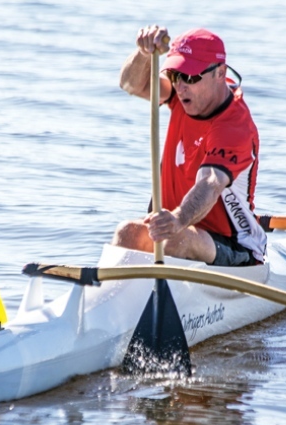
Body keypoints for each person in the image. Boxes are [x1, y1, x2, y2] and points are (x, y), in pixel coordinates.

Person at [113, 26, 267, 266]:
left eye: (190, 77)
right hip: (178, 231)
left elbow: (210, 183)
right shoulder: (183, 96)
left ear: (220, 73)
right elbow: (130, 84)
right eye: (175, 76)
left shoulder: (234, 127)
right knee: (127, 232)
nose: (180, 86)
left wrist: (178, 218)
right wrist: (144, 53)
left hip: (235, 247)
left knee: (176, 241)